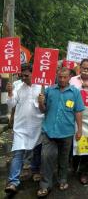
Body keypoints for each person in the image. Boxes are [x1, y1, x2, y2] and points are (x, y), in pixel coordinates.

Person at [37, 67, 84, 197]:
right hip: (49, 131)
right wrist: (41, 103)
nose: (62, 79)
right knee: (46, 158)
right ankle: (45, 185)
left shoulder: (75, 92)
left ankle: (62, 179)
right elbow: (43, 110)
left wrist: (79, 129)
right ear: (57, 76)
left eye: (65, 77)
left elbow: (78, 111)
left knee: (64, 159)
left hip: (66, 132)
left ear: (70, 77)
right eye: (60, 77)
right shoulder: (49, 90)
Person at [4, 64, 44, 194]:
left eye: (26, 75)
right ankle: (13, 182)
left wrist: (42, 101)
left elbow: (46, 106)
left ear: (34, 73)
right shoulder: (17, 85)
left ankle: (35, 170)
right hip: (21, 126)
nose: (23, 78)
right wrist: (10, 93)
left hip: (37, 125)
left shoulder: (42, 86)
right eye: (21, 75)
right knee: (18, 153)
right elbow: (12, 104)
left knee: (37, 150)